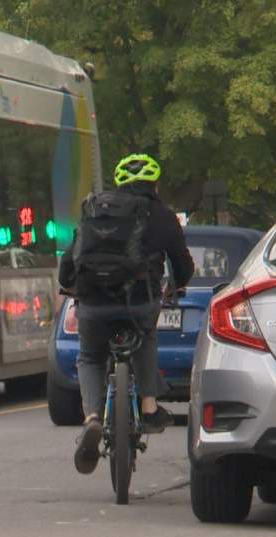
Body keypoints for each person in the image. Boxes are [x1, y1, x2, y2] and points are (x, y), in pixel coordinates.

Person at [58, 153, 194, 474]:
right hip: (139, 301)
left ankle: (92, 417)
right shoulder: (162, 215)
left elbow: (68, 263)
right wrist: (175, 286)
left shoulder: (96, 210)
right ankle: (149, 405)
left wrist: (70, 285)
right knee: (146, 337)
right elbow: (183, 265)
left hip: (93, 302)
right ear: (154, 184)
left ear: (118, 184)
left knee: (90, 356)